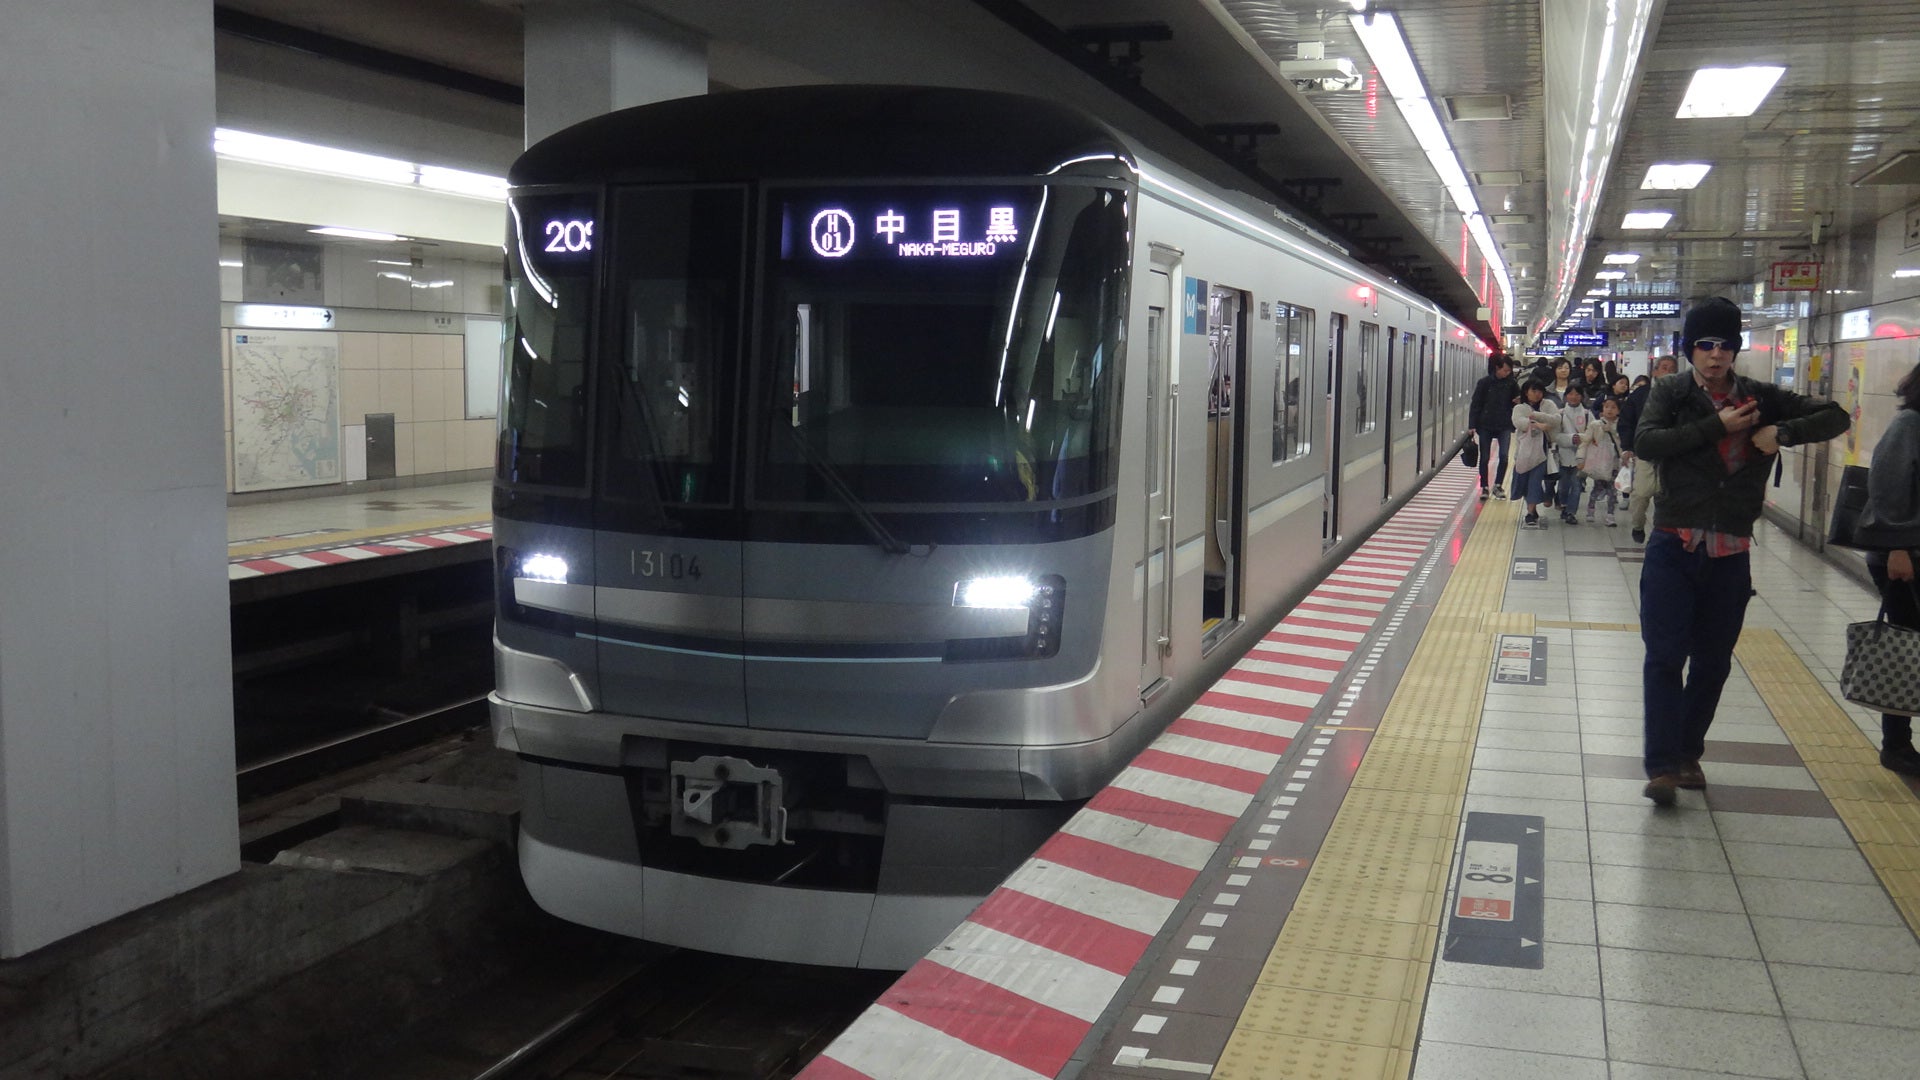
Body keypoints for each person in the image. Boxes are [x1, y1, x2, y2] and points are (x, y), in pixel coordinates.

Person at [1635, 297, 1850, 805]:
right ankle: (1663, 766)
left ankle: (1688, 753)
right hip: (1674, 543)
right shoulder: (1671, 391)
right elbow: (1647, 443)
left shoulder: (1761, 397)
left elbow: (1835, 415)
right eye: (1706, 345)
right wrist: (1718, 427)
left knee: (1713, 662)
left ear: (1736, 350)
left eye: (1725, 346)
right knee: (1665, 657)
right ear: (1691, 349)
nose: (1715, 355)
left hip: (1730, 552)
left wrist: (1783, 432)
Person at [1852, 359, 1920, 775]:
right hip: (1905, 557)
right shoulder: (1910, 424)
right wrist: (1896, 547)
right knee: (1904, 647)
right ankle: (1896, 745)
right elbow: (1886, 484)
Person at [1619, 354, 1680, 543]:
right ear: (1654, 372)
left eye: (1672, 369)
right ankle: (1638, 525)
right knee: (1642, 493)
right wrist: (1627, 447)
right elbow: (1626, 421)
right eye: (1664, 368)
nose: (1668, 372)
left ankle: (1663, 532)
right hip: (1644, 451)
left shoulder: (1683, 395)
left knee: (1667, 494)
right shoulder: (1640, 395)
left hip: (1671, 454)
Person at [1509, 380, 1559, 528]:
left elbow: (1556, 420)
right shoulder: (1519, 407)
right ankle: (1533, 508)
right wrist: (1539, 424)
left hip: (1542, 452)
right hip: (1524, 452)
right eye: (1533, 391)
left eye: (1539, 391)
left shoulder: (1548, 404)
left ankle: (1530, 513)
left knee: (1535, 481)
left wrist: (1535, 416)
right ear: (1526, 392)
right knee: (1524, 481)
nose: (1537, 394)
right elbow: (1519, 422)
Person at [1469, 355, 1519, 500]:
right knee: (1484, 458)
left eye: (1509, 371)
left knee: (1503, 456)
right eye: (1505, 370)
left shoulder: (1512, 384)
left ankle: (1498, 485)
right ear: (1497, 368)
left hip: (1504, 424)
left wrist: (1517, 401)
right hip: (1485, 425)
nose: (1507, 373)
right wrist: (1472, 425)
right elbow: (1476, 404)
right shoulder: (1484, 383)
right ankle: (1484, 486)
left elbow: (1519, 400)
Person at [1581, 396, 1623, 525]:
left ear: (1618, 410)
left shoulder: (1622, 425)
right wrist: (1580, 457)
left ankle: (1610, 515)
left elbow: (1623, 441)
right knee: (1597, 487)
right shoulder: (1595, 424)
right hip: (1599, 462)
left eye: (1613, 407)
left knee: (1612, 490)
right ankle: (1591, 509)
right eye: (1607, 407)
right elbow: (1586, 441)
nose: (1609, 410)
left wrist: (1613, 431)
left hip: (1615, 462)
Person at [1554, 385, 1593, 523]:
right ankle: (1563, 505)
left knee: (1576, 486)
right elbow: (1556, 436)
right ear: (1566, 396)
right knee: (1563, 486)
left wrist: (1580, 439)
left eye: (1577, 394)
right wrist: (1571, 439)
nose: (1574, 397)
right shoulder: (1560, 414)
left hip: (1581, 458)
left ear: (1582, 396)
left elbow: (1593, 433)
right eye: (1570, 394)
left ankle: (1571, 512)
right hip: (1563, 456)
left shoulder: (1588, 414)